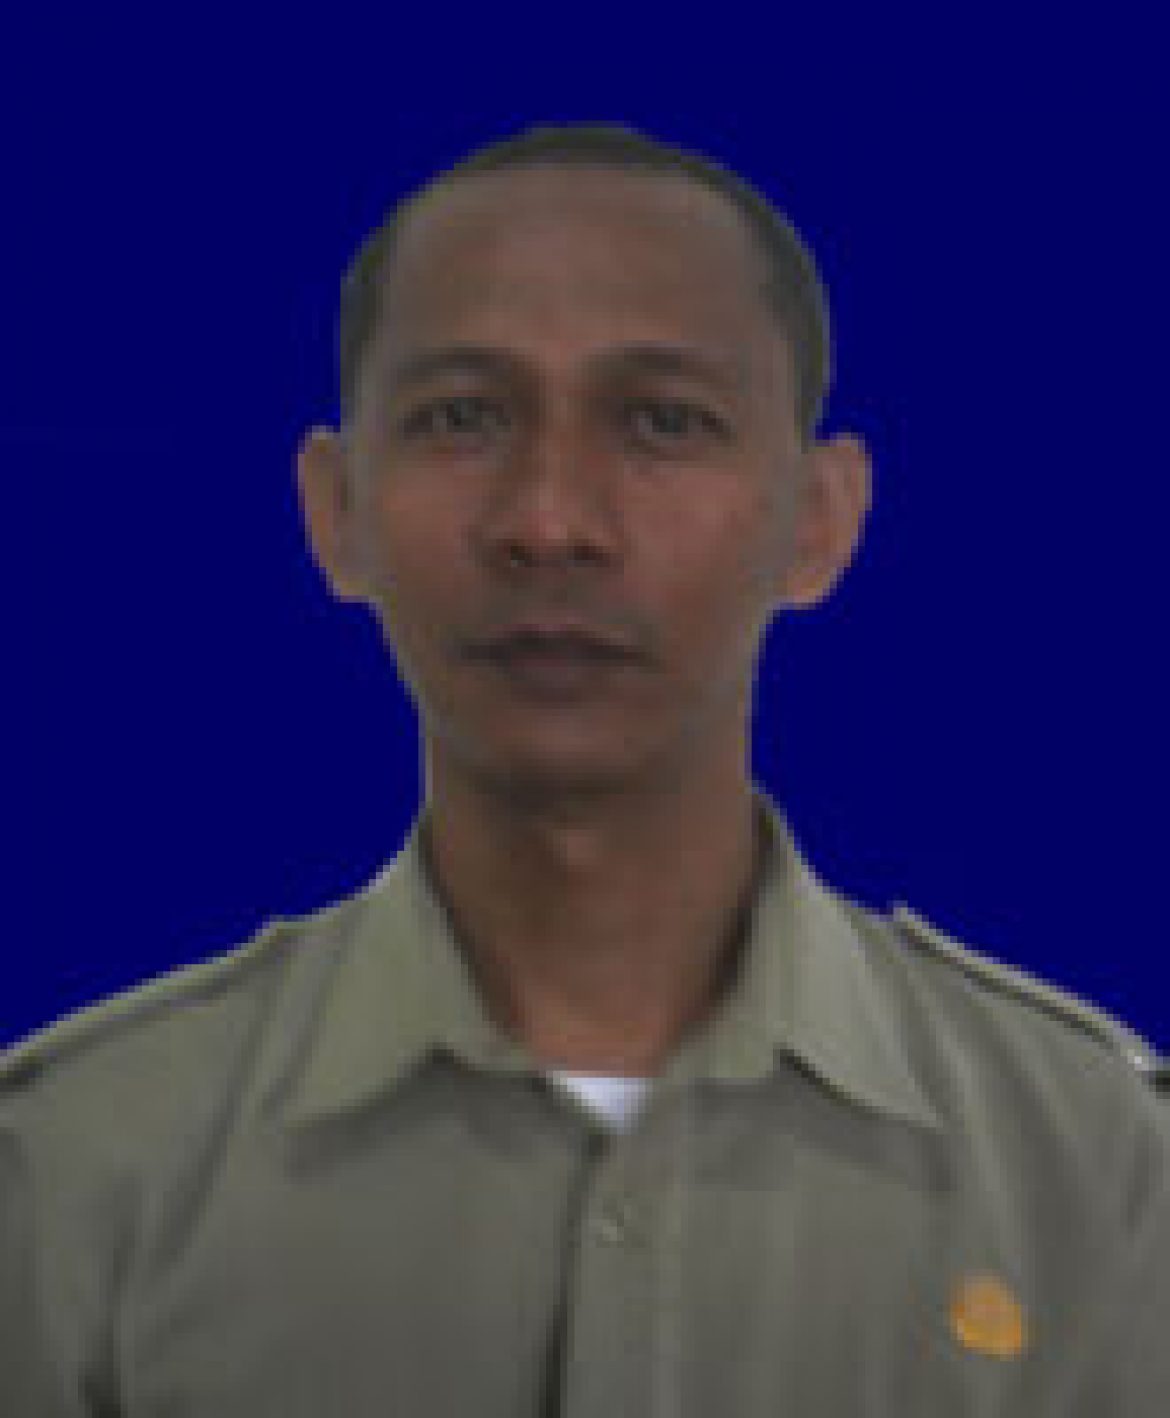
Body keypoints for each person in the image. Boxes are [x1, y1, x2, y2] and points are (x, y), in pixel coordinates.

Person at [2, 122, 1167, 1417]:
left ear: (818, 518)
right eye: (461, 417)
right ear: (337, 511)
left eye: (664, 421)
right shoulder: (71, 1172)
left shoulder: (1101, 1171)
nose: (550, 520)